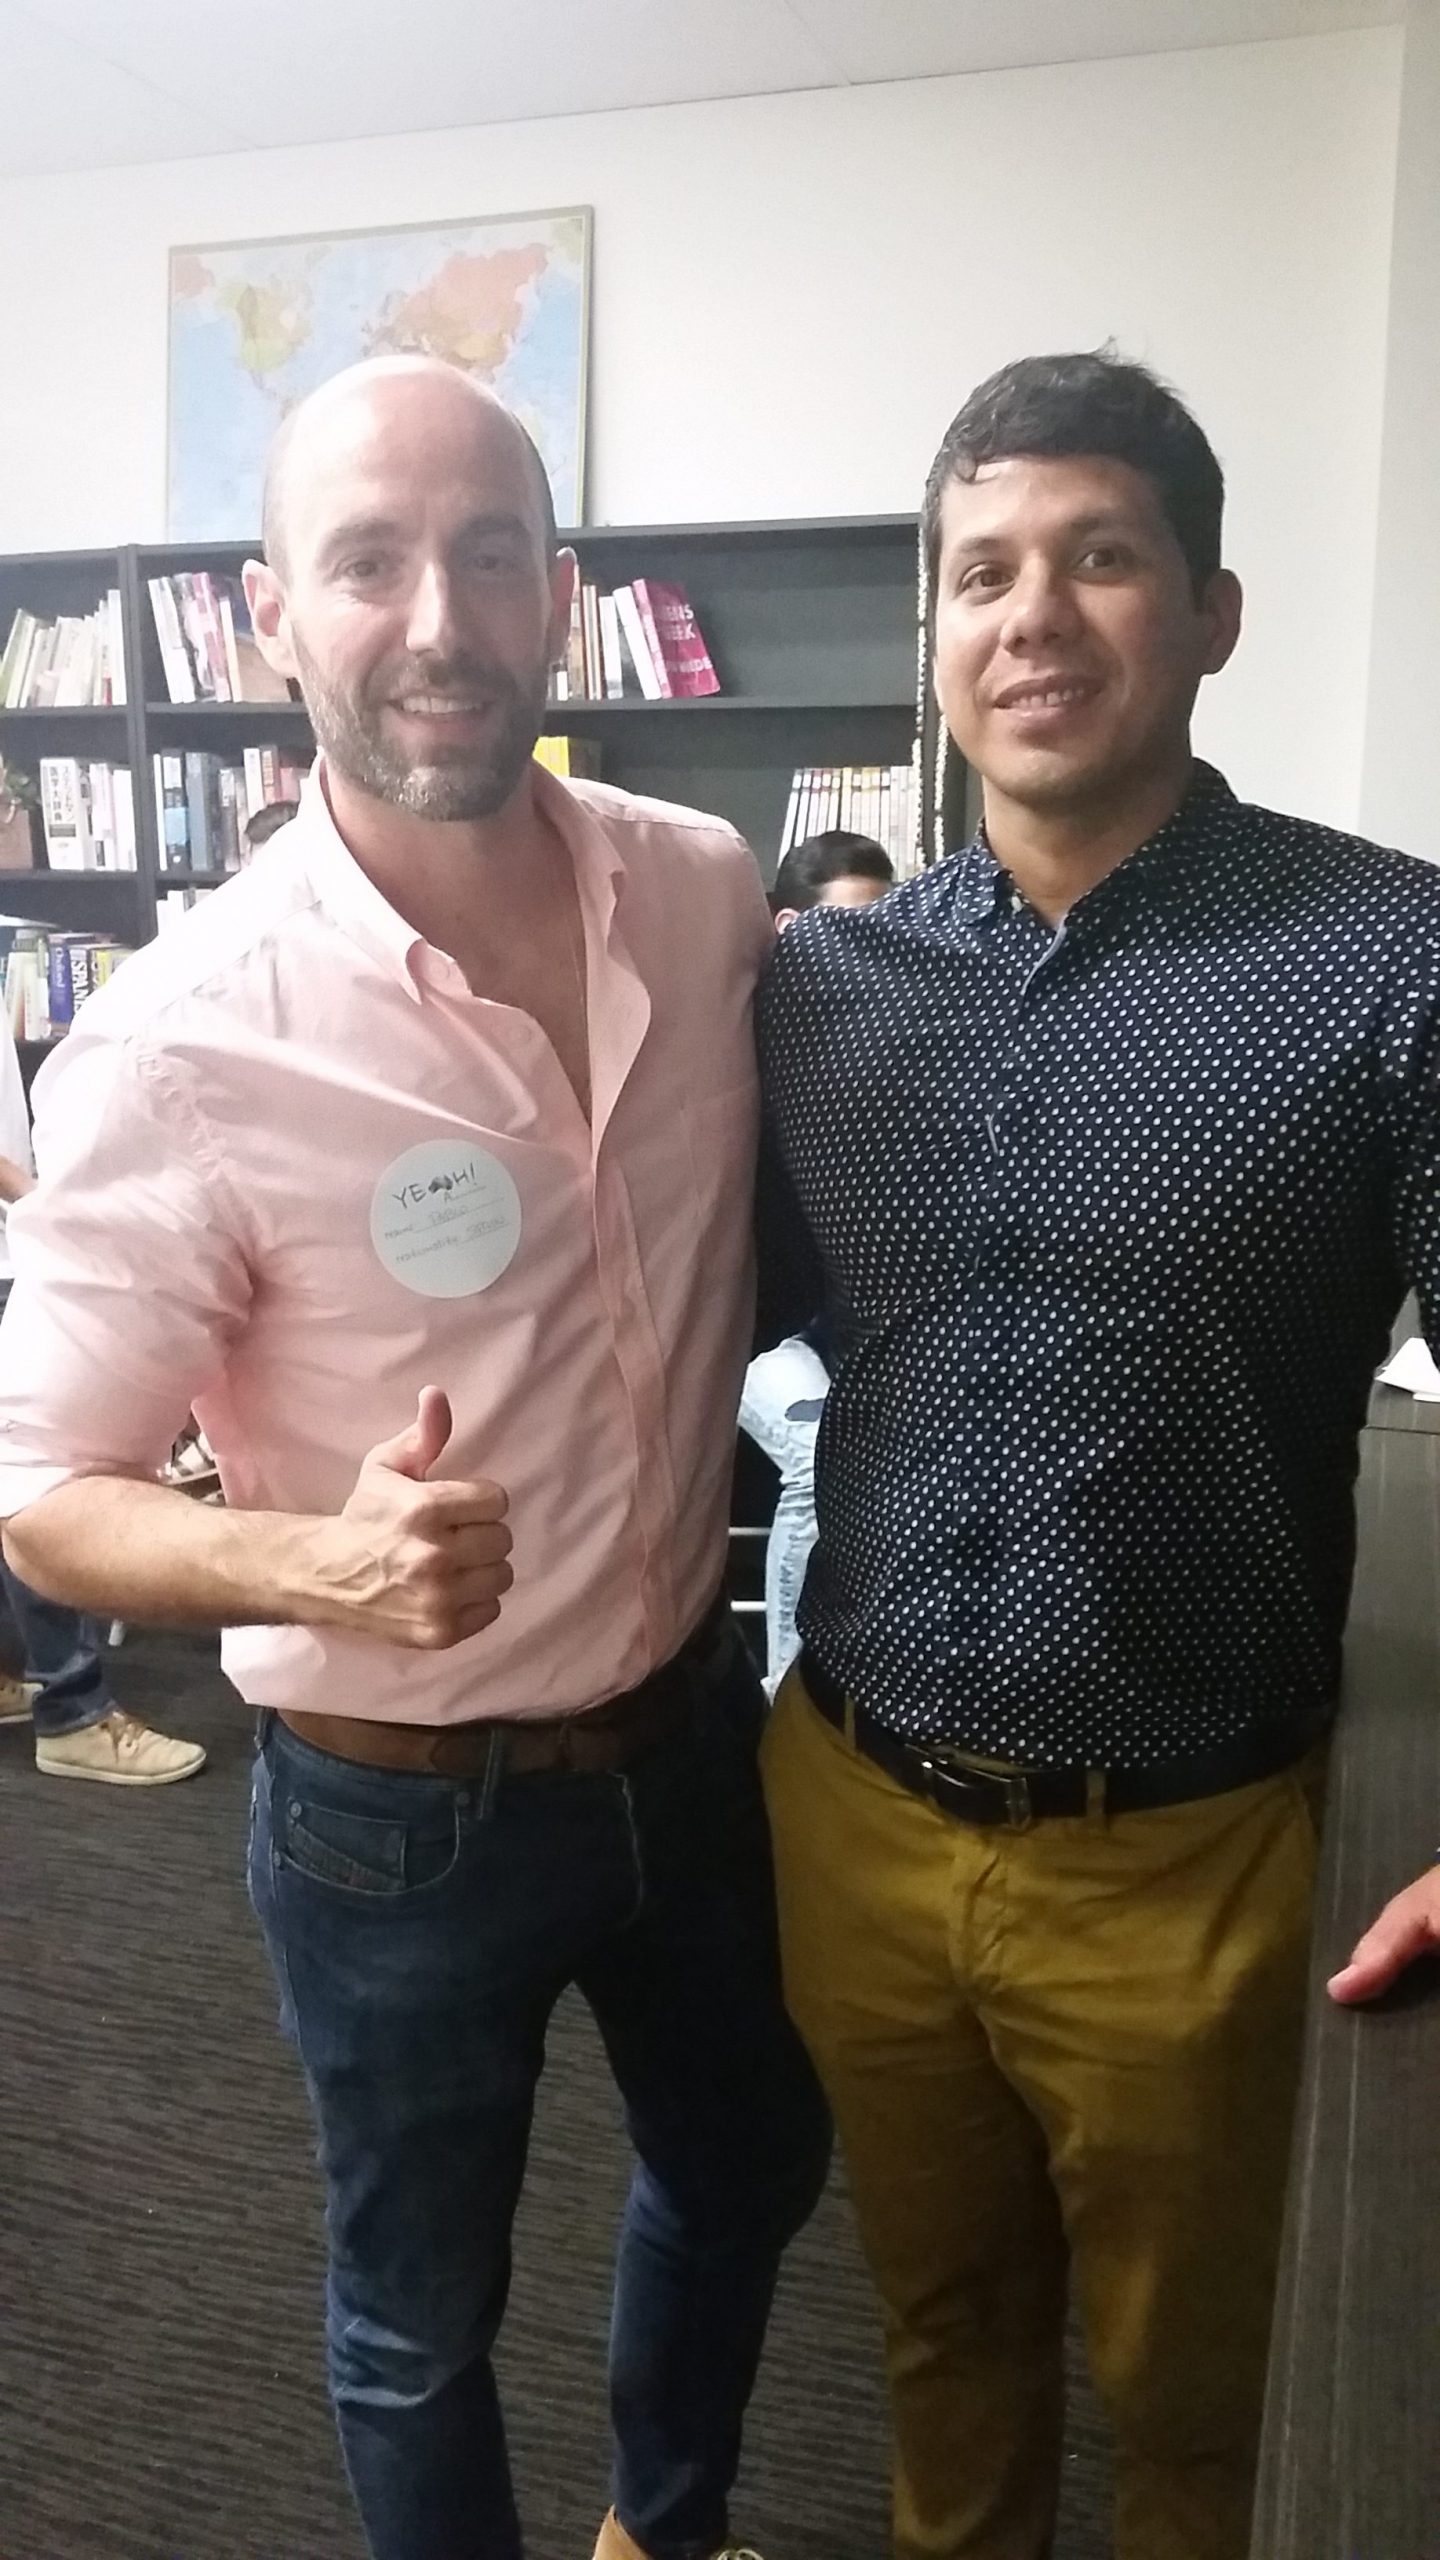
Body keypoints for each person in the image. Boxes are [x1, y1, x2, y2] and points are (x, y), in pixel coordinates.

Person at [0, 355, 827, 2560]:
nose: (439, 620)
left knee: (751, 2163)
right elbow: (40, 1489)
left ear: (561, 589)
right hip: (397, 1818)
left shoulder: (702, 892)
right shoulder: (182, 1038)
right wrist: (316, 1565)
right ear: (274, 613)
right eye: (369, 562)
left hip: (687, 1743)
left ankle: (663, 2529)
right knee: (416, 2319)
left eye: (487, 554)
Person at [755, 346, 1440, 2560]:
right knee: (939, 2338)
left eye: (1100, 558)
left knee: (1198, 2410)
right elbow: (695, 1333)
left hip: (1194, 1867)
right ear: (935, 638)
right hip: (855, 1812)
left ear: (1212, 611)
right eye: (982, 574)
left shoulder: (1391, 959)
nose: (1033, 615)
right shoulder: (823, 989)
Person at [0, 1005, 203, 1781]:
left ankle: (27, 1682)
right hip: (24, 1244)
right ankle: (75, 1713)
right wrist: (41, 1201)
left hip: (21, 1246)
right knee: (46, 1476)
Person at [738, 831, 893, 1687]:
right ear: (790, 929)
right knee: (818, 1449)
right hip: (750, 1338)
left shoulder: (891, 1043)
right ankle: (788, 1687)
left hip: (848, 1334)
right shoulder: (736, 1040)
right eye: (858, 928)